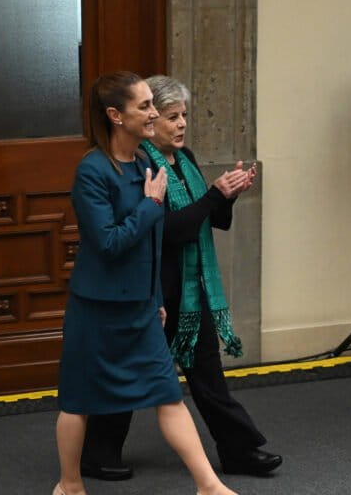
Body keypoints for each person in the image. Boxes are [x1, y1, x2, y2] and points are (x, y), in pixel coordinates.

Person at [79, 75, 282, 482]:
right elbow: (166, 230)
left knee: (208, 375)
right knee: (128, 372)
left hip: (190, 289)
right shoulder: (140, 163)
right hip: (152, 287)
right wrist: (213, 196)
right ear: (150, 119)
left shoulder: (184, 158)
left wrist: (227, 196)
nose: (181, 124)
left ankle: (238, 450)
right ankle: (98, 454)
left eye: (183, 115)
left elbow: (208, 221)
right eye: (171, 116)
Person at [54, 71, 236, 495]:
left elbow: (152, 247)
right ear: (115, 115)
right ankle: (69, 485)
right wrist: (152, 204)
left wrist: (155, 297)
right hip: (97, 310)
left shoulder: (145, 163)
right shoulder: (92, 171)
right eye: (145, 106)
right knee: (79, 402)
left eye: (154, 105)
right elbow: (109, 243)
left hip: (141, 307)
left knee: (168, 395)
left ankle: (209, 486)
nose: (154, 113)